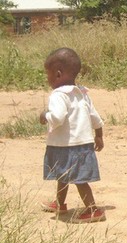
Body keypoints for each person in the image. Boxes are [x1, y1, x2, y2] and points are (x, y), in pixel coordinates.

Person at [40, 47, 106, 223]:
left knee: (78, 179)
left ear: (58, 74)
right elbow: (95, 117)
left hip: (66, 146)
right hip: (82, 144)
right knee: (63, 176)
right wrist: (99, 135)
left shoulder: (58, 95)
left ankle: (93, 209)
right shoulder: (82, 93)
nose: (48, 79)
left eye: (48, 75)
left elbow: (57, 117)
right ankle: (60, 204)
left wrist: (45, 116)